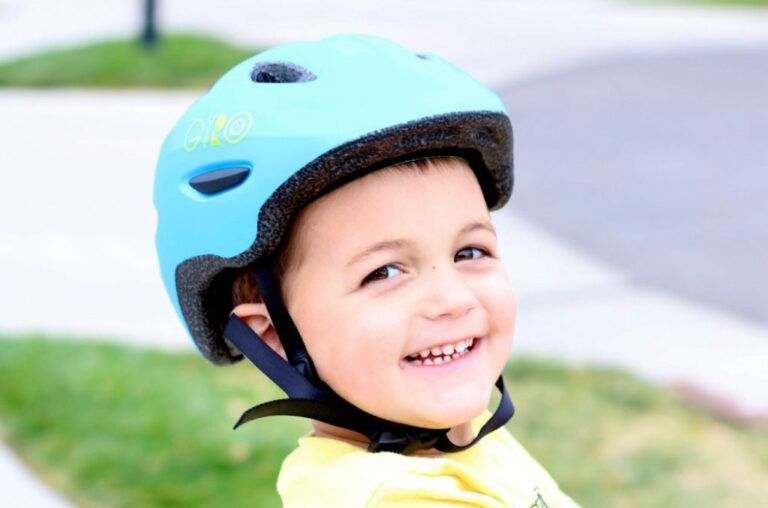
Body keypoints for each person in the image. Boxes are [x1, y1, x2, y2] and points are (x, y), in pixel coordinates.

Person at [154, 33, 581, 507]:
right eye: (384, 272)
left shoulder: (468, 435)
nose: (454, 298)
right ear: (273, 335)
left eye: (470, 253)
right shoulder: (393, 498)